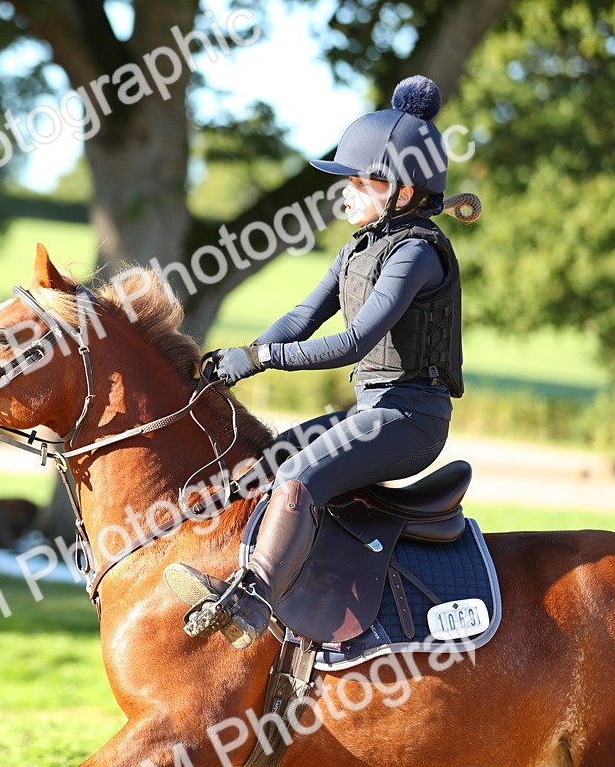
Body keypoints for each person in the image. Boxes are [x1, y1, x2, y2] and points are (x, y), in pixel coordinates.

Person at [165, 76, 464, 648]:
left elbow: (352, 343)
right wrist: (237, 361)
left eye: (360, 181)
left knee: (298, 475)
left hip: (412, 421)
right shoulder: (359, 247)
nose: (346, 192)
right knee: (271, 458)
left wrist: (264, 357)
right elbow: (303, 317)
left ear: (403, 192)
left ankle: (253, 602)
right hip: (372, 411)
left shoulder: (417, 253)